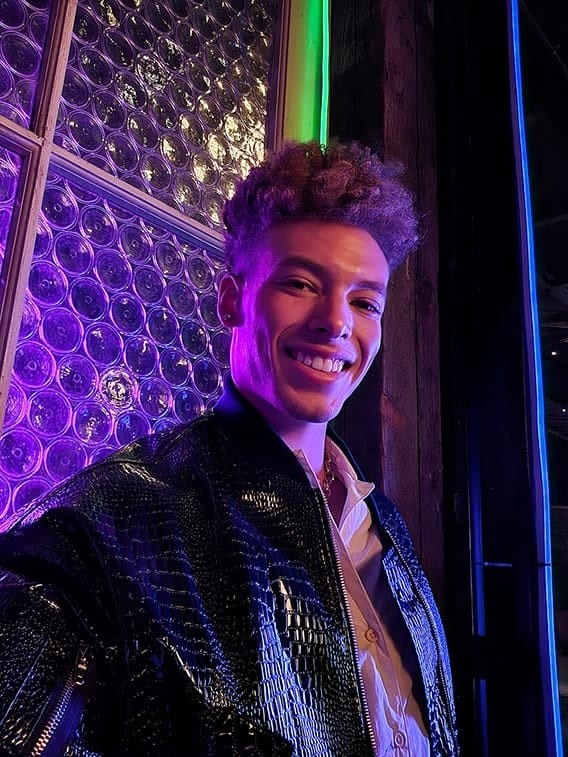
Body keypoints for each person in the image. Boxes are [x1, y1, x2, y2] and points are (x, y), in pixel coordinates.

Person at [0, 141, 458, 756]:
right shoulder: (106, 524)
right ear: (230, 299)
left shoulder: (387, 526)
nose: (337, 322)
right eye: (301, 283)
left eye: (364, 302)